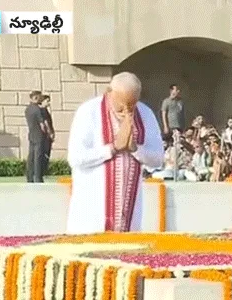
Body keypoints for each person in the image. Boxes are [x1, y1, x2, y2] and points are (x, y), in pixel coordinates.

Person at [66, 72, 164, 234]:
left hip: (130, 221)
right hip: (90, 220)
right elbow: (76, 158)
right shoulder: (89, 112)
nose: (127, 110)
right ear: (108, 92)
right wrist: (112, 148)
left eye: (132, 104)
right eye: (121, 105)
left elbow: (157, 159)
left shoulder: (145, 114)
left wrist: (135, 149)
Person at [25, 91, 46, 183]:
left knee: (31, 157)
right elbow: (42, 124)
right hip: (38, 135)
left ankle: (29, 177)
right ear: (36, 97)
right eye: (40, 97)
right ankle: (38, 177)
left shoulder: (28, 109)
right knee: (38, 157)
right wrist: (47, 133)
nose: (41, 99)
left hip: (31, 134)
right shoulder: (37, 109)